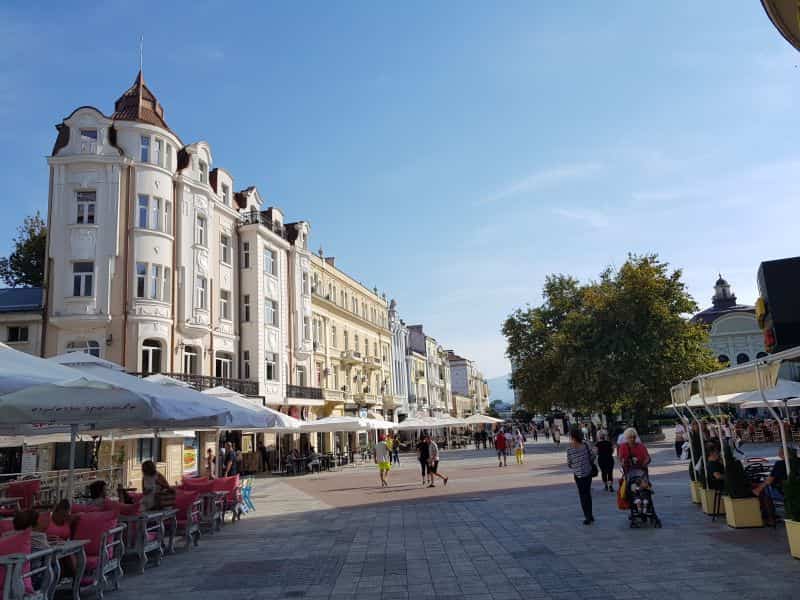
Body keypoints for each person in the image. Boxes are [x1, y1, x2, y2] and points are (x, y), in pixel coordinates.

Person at [566, 429, 595, 525]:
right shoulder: (586, 445)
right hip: (588, 473)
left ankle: (587, 516)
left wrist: (576, 465)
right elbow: (593, 456)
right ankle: (590, 515)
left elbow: (569, 463)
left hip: (578, 475)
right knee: (587, 494)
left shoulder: (569, 449)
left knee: (583, 495)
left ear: (573, 437)